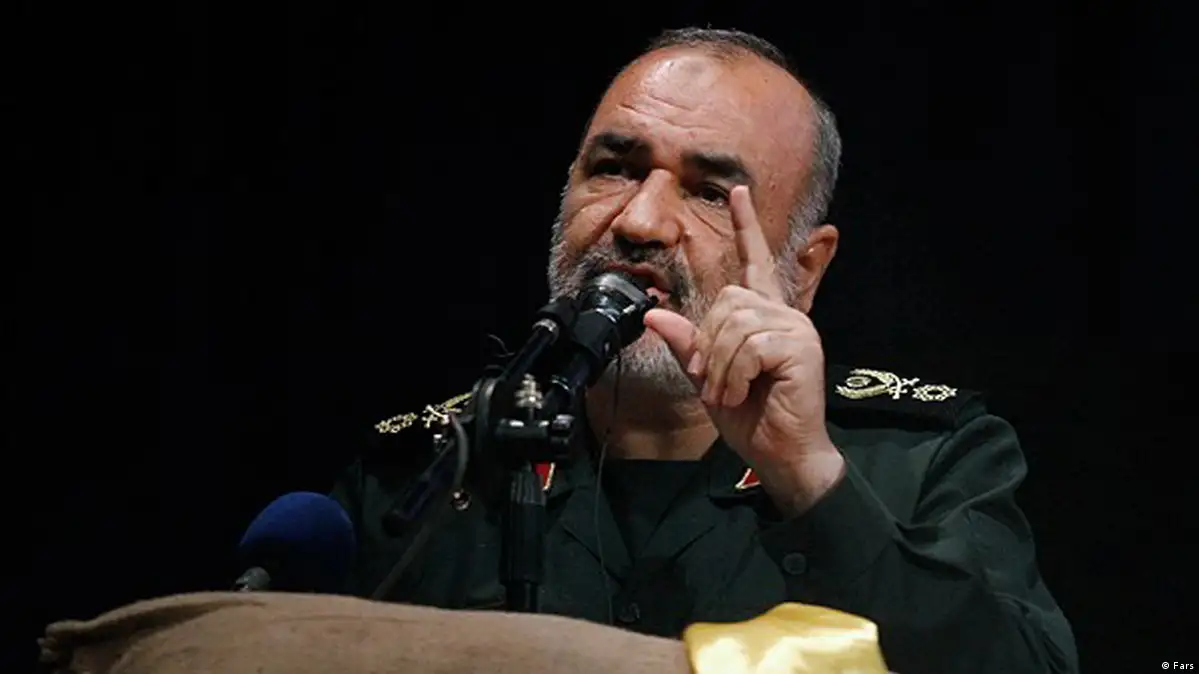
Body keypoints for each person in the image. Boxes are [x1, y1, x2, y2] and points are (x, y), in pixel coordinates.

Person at [330, 27, 1078, 674]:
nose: (640, 221)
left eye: (710, 192)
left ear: (804, 269)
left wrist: (809, 479)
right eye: (615, 168)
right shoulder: (428, 473)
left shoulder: (925, 461)